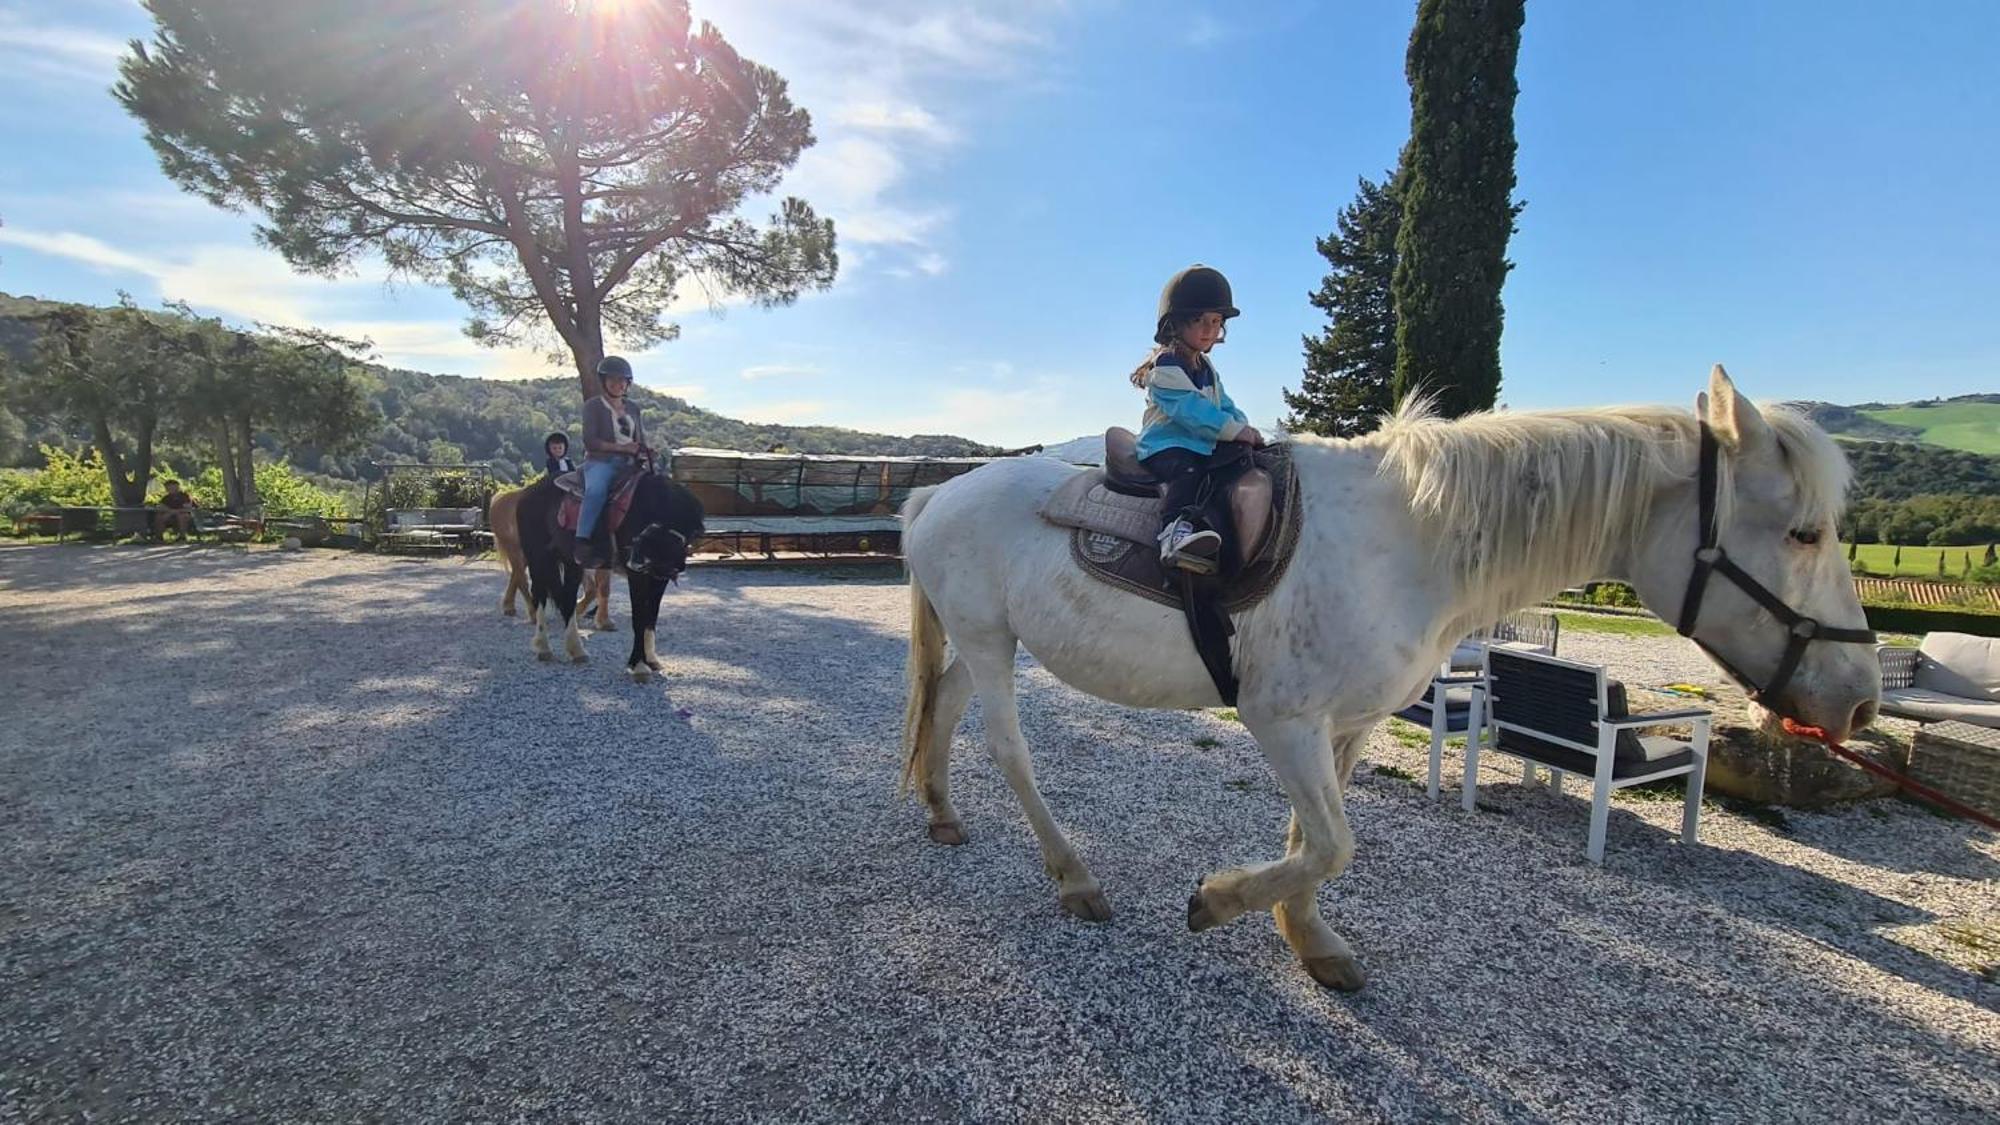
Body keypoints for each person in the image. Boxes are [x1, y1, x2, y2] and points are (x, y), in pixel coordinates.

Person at [1130, 264, 1264, 573]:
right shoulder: (1165, 368)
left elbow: (1223, 404)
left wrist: (1244, 427)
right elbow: (1192, 412)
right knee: (1188, 473)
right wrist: (1233, 430)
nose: (1209, 329)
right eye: (1198, 320)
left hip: (1198, 442)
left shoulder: (1206, 368)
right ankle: (1173, 532)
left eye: (1216, 321)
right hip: (1167, 446)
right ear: (1174, 325)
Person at [575, 355, 648, 567]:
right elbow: (590, 441)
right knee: (596, 491)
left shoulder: (634, 408)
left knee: (657, 489)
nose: (618, 384)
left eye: (622, 381)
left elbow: (640, 438)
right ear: (604, 381)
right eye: (613, 380)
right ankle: (582, 541)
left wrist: (644, 450)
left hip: (631, 465)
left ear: (628, 383)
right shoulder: (593, 406)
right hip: (601, 462)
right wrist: (621, 448)